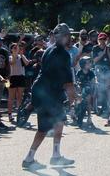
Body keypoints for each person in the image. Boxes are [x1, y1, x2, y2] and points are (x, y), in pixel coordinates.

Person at [22, 23, 76, 169]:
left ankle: (56, 156)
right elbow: (68, 83)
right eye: (68, 35)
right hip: (48, 95)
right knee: (43, 129)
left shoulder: (48, 50)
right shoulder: (64, 54)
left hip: (45, 92)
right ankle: (28, 159)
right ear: (65, 37)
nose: (70, 38)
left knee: (59, 122)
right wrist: (74, 101)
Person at [8, 41, 30, 122]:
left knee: (19, 97)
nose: (17, 49)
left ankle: (19, 113)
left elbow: (27, 63)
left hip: (21, 77)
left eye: (17, 48)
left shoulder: (21, 56)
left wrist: (21, 54)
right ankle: (10, 114)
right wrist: (15, 53)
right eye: (14, 48)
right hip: (12, 78)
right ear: (11, 49)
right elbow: (13, 62)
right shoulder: (9, 57)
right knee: (11, 97)